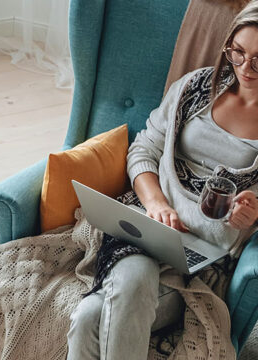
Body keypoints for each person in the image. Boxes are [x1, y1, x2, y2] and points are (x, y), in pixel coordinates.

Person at [66, 1, 258, 359]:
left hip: (202, 262)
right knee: (133, 278)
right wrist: (156, 204)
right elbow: (142, 151)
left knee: (88, 318)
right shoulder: (195, 87)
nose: (245, 68)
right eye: (238, 52)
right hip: (145, 229)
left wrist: (251, 215)